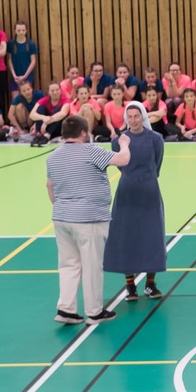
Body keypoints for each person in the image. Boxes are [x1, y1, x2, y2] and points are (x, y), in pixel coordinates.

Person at [46, 115, 132, 324]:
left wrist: (63, 206)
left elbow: (49, 185)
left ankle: (66, 309)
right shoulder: (91, 151)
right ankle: (94, 311)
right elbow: (123, 160)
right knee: (92, 265)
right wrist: (124, 143)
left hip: (62, 217)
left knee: (68, 264)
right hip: (89, 218)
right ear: (84, 133)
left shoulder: (53, 156)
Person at [102, 101, 167, 301]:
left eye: (136, 116)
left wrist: (145, 179)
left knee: (152, 236)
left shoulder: (156, 139)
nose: (133, 120)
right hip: (127, 194)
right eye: (129, 117)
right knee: (126, 237)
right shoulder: (118, 141)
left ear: (143, 116)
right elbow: (120, 165)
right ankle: (130, 286)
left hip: (149, 192)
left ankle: (150, 284)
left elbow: (157, 165)